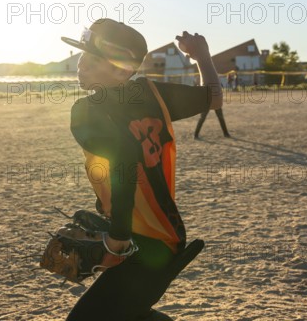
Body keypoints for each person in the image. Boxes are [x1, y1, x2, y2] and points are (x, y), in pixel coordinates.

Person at [61, 19, 222, 321]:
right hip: (168, 236)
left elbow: (123, 159)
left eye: (94, 60)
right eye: (83, 55)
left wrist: (118, 235)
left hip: (139, 241)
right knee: (128, 314)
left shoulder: (86, 111)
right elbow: (214, 97)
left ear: (121, 70)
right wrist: (202, 55)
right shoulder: (152, 94)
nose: (81, 64)